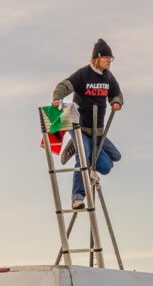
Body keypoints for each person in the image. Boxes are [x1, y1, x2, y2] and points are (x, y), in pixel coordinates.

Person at [51, 38, 124, 209]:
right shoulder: (83, 74)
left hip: (97, 131)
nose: (108, 61)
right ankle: (77, 197)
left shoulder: (108, 77)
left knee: (110, 162)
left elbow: (117, 92)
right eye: (106, 57)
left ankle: (78, 147)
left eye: (110, 58)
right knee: (83, 158)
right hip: (79, 127)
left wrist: (117, 101)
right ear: (97, 57)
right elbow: (64, 85)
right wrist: (57, 98)